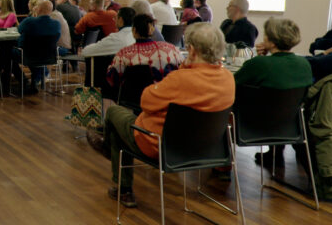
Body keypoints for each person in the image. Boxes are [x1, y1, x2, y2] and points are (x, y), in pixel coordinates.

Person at [87, 23, 234, 208]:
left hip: (162, 146)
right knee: (120, 126)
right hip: (207, 149)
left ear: (191, 50)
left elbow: (146, 102)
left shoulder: (179, 79)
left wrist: (184, 69)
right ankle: (111, 156)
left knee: (114, 115)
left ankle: (121, 184)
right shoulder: (228, 79)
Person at [234, 17, 313, 169]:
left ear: (272, 41)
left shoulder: (259, 64)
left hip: (252, 126)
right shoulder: (304, 64)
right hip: (291, 125)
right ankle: (275, 154)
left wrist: (260, 59)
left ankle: (222, 170)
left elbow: (233, 85)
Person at [106, 14, 184, 89]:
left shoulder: (123, 54)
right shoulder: (171, 49)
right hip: (167, 94)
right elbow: (183, 69)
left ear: (134, 30)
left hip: (134, 96)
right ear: (152, 29)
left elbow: (112, 79)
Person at [13, 0, 61, 93]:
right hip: (48, 56)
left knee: (7, 53)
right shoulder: (57, 24)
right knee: (36, 55)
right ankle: (35, 80)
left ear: (38, 9)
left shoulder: (29, 21)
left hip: (27, 55)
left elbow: (18, 31)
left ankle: (23, 81)